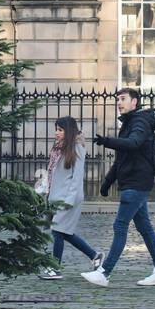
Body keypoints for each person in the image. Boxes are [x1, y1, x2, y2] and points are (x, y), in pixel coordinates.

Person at [82, 87, 155, 286]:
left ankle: (104, 273)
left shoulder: (140, 122)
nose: (119, 103)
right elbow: (122, 158)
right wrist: (107, 182)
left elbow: (133, 143)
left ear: (134, 102)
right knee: (144, 227)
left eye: (123, 99)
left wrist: (106, 141)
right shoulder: (131, 122)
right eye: (117, 99)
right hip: (134, 181)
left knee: (120, 225)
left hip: (137, 182)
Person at [38, 117, 103, 279]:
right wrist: (45, 189)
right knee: (65, 232)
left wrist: (69, 200)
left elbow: (77, 176)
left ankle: (55, 268)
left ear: (69, 131)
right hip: (56, 195)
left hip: (69, 197)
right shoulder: (58, 148)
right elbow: (52, 172)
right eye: (56, 129)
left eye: (60, 130)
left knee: (57, 231)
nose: (56, 133)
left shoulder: (77, 148)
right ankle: (95, 256)